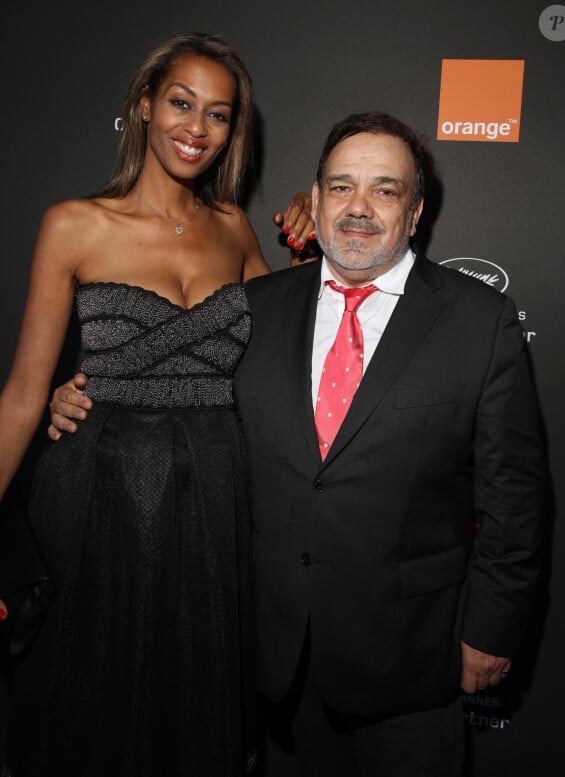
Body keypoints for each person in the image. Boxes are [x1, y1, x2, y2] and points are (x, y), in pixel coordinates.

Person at [48, 110, 546, 777]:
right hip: (272, 661)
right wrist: (76, 393)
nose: (359, 208)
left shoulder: (478, 321)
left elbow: (515, 498)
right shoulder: (257, 305)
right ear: (314, 200)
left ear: (417, 210)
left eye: (385, 189)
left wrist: (489, 631)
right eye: (340, 187)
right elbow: (172, 389)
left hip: (408, 663)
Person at [0, 31, 316, 777]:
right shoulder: (74, 224)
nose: (196, 128)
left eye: (217, 113)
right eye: (180, 102)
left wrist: (312, 242)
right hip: (96, 490)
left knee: (195, 707)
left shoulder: (237, 227)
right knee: (89, 703)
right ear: (144, 105)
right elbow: (20, 396)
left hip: (213, 490)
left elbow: (287, 353)